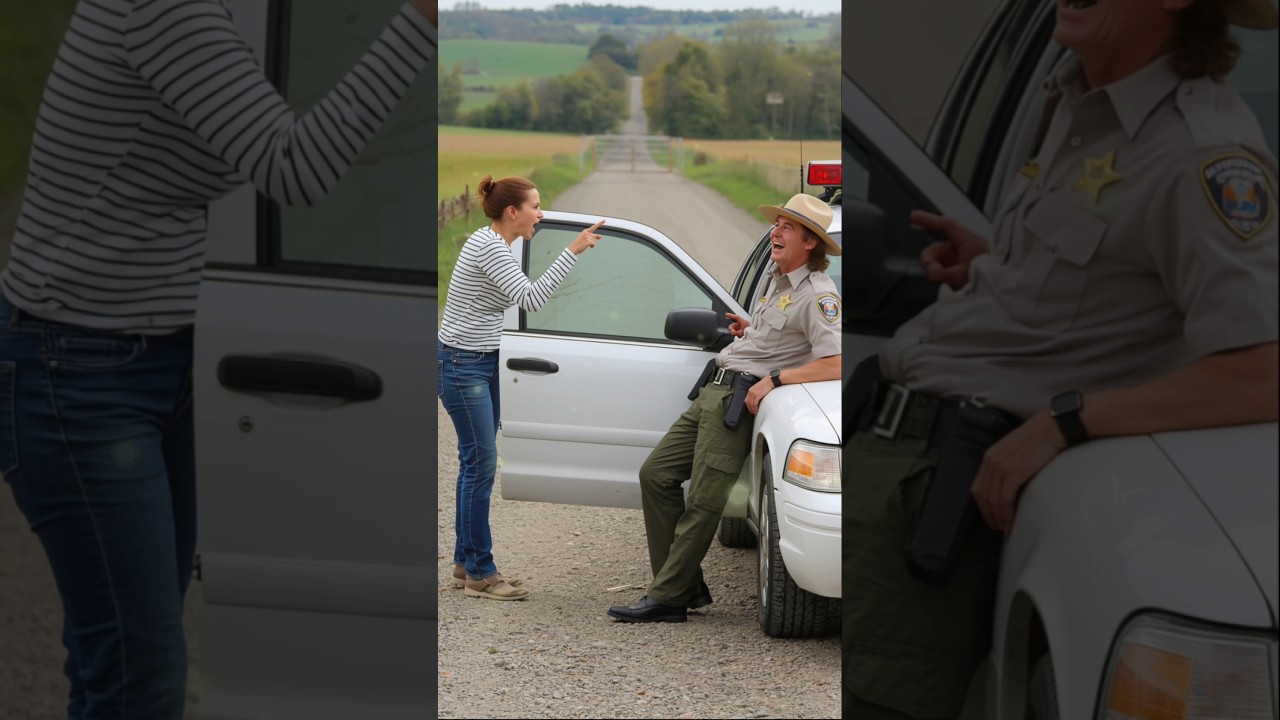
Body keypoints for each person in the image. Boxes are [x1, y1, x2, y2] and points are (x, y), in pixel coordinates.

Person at [0, 2, 437, 718]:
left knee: (116, 660)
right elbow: (294, 167)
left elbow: (292, 126)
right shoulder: (164, 8)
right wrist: (421, 19)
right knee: (139, 675)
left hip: (156, 355)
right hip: (77, 369)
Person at [844, 0, 1279, 716]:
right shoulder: (1076, 98)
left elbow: (1262, 372)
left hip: (938, 485)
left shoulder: (1202, 155)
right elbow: (1105, 276)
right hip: (889, 455)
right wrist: (997, 267)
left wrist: (1066, 421)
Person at [607, 193, 843, 623]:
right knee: (655, 475)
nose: (775, 232)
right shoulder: (777, 276)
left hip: (736, 401)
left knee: (704, 500)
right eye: (777, 224)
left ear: (810, 242)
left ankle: (669, 598)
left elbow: (837, 362)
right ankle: (684, 582)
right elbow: (780, 337)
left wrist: (776, 379)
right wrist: (750, 330)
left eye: (787, 228)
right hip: (713, 390)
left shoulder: (818, 295)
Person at [439, 175, 604, 601]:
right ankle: (480, 573)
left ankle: (465, 563)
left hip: (482, 360)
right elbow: (530, 299)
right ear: (512, 212)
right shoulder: (491, 247)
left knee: (474, 463)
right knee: (480, 465)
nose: (541, 214)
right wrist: (572, 251)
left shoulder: (500, 243)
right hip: (463, 364)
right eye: (535, 206)